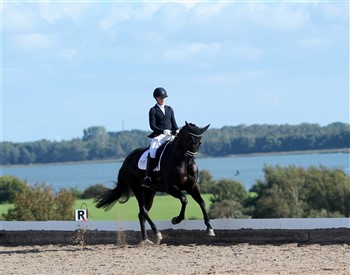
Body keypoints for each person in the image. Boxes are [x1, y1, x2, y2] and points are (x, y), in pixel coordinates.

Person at [142, 87, 179, 188]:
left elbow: (174, 124)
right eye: (161, 98)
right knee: (153, 150)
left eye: (164, 98)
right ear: (156, 99)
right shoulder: (153, 110)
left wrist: (177, 131)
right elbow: (152, 126)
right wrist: (163, 131)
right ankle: (148, 176)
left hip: (170, 135)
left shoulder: (169, 109)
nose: (163, 100)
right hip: (159, 135)